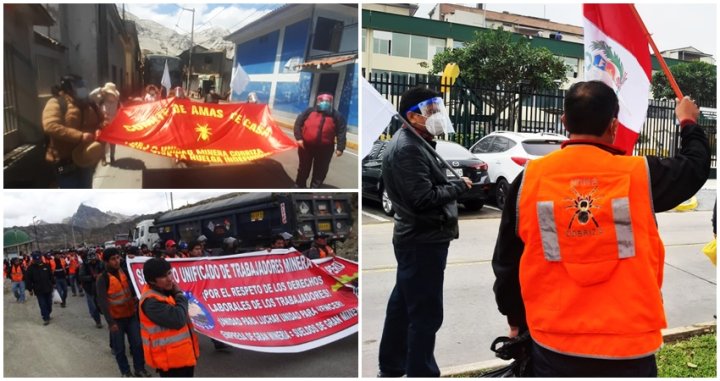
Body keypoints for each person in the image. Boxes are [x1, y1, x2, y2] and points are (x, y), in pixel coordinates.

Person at [492, 81, 711, 377]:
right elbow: (694, 167)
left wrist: (515, 318)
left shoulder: (529, 180)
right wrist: (687, 122)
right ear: (613, 126)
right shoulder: (640, 175)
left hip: (554, 340)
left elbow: (507, 260)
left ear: (564, 122)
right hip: (628, 344)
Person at [376, 86, 471, 377]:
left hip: (419, 238)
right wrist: (458, 187)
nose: (436, 116)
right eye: (429, 112)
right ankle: (422, 371)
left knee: (404, 305)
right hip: (422, 240)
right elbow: (422, 199)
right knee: (425, 314)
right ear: (412, 117)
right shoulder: (408, 148)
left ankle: (392, 365)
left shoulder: (418, 142)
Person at [139, 258, 200, 377]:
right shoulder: (151, 302)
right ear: (152, 281)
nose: (169, 279)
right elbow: (178, 319)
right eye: (163, 276)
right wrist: (179, 294)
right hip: (170, 362)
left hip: (182, 357)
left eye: (169, 273)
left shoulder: (165, 291)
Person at [96, 248, 150, 377]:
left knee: (137, 344)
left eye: (118, 258)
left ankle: (139, 369)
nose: (116, 261)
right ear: (106, 262)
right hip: (116, 320)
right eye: (113, 259)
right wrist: (110, 322)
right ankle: (125, 372)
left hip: (131, 316)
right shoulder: (102, 279)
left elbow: (135, 285)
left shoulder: (125, 272)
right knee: (119, 349)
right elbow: (102, 303)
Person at [42, 75, 103, 188]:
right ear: (68, 88)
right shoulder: (56, 103)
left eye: (83, 85)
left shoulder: (90, 104)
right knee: (69, 188)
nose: (82, 88)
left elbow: (103, 120)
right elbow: (50, 125)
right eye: (78, 86)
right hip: (63, 161)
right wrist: (80, 136)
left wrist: (100, 129)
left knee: (86, 187)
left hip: (85, 157)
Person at [293, 93, 348, 188]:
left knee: (320, 171)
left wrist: (340, 148)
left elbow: (341, 132)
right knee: (303, 168)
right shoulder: (309, 111)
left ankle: (314, 189)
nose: (325, 103)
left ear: (331, 102)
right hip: (306, 146)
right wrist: (299, 138)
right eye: (322, 101)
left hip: (325, 149)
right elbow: (298, 124)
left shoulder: (336, 116)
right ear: (318, 101)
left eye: (327, 101)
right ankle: (299, 186)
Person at [24, 251, 56, 325]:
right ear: (33, 260)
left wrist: (54, 284)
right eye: (36, 260)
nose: (38, 261)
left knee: (49, 304)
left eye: (39, 259)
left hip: (48, 288)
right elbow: (28, 280)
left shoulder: (46, 266)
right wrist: (30, 289)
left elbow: (51, 276)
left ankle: (47, 313)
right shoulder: (30, 268)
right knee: (42, 304)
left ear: (41, 258)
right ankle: (46, 318)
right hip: (38, 290)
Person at [79, 251, 105, 328]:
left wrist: (101, 276)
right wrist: (92, 277)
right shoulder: (84, 266)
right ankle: (98, 321)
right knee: (93, 307)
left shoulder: (101, 263)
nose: (93, 261)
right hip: (89, 289)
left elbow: (105, 272)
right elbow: (81, 277)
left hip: (100, 287)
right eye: (92, 260)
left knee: (104, 305)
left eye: (94, 259)